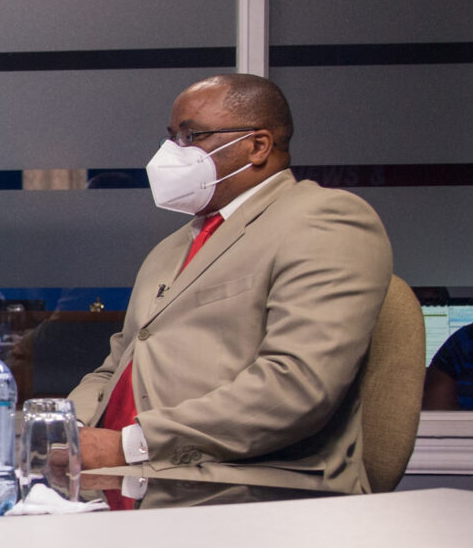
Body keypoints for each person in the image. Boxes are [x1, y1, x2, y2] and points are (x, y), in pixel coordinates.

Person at [69, 74, 391, 494]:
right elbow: (117, 364)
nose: (172, 152)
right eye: (171, 137)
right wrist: (65, 428)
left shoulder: (325, 220)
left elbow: (296, 387)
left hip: (235, 489)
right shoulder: (171, 248)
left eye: (191, 136)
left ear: (257, 146)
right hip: (120, 481)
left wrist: (131, 445)